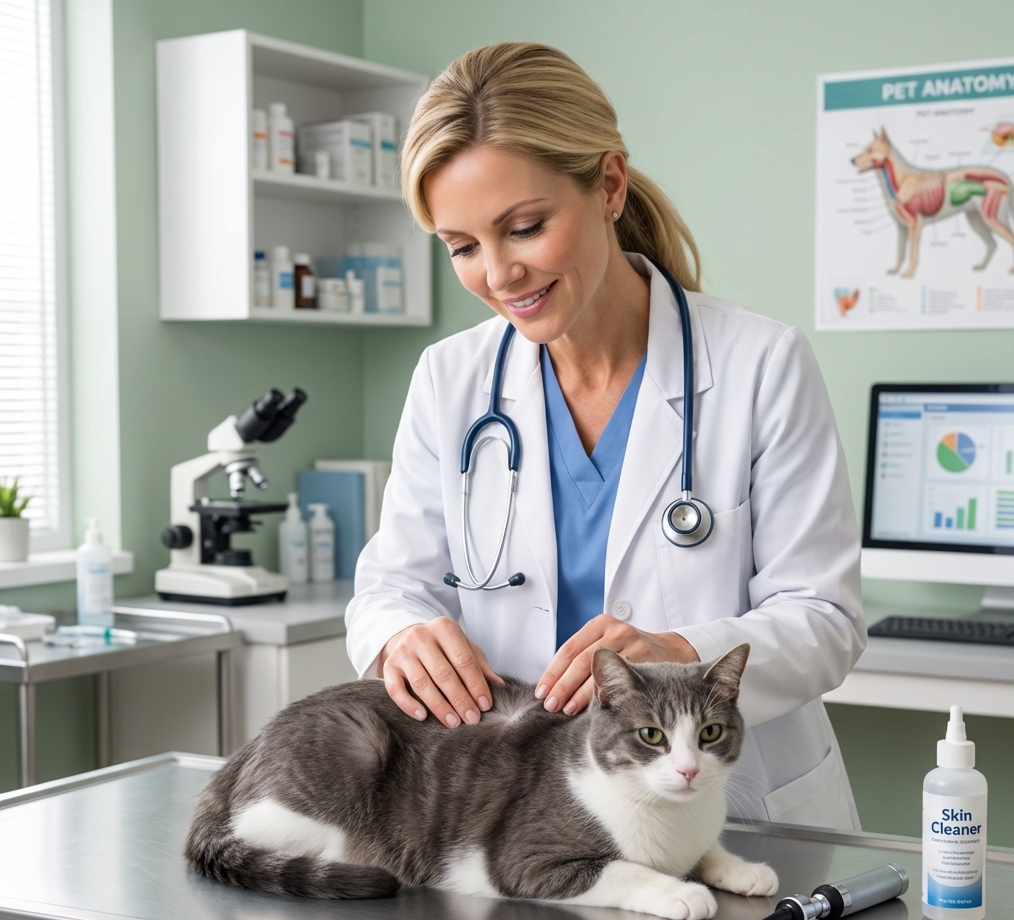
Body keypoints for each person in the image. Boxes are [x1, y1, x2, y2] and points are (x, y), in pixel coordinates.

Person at [345, 41, 867, 829]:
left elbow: (824, 619)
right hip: (521, 815)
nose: (497, 274)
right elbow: (391, 586)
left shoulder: (762, 362)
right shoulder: (450, 382)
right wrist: (398, 638)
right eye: (461, 247)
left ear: (609, 186)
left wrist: (680, 655)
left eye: (523, 227)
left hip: (730, 815)